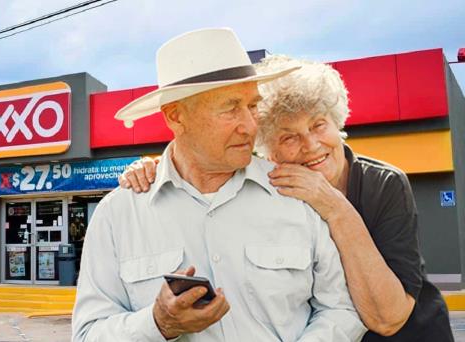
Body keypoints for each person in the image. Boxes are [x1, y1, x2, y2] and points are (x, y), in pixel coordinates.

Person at [119, 55, 454, 341]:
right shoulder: (273, 188)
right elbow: (199, 161)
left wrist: (334, 206)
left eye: (319, 125)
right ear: (268, 151)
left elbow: (389, 318)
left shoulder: (383, 184)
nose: (310, 145)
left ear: (337, 122)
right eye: (289, 137)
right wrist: (158, 168)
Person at [72, 28, 366, 342]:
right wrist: (157, 324)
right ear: (176, 117)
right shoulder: (118, 215)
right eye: (230, 109)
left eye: (253, 106)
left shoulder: (297, 194)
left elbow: (341, 310)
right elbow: (88, 334)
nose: (251, 125)